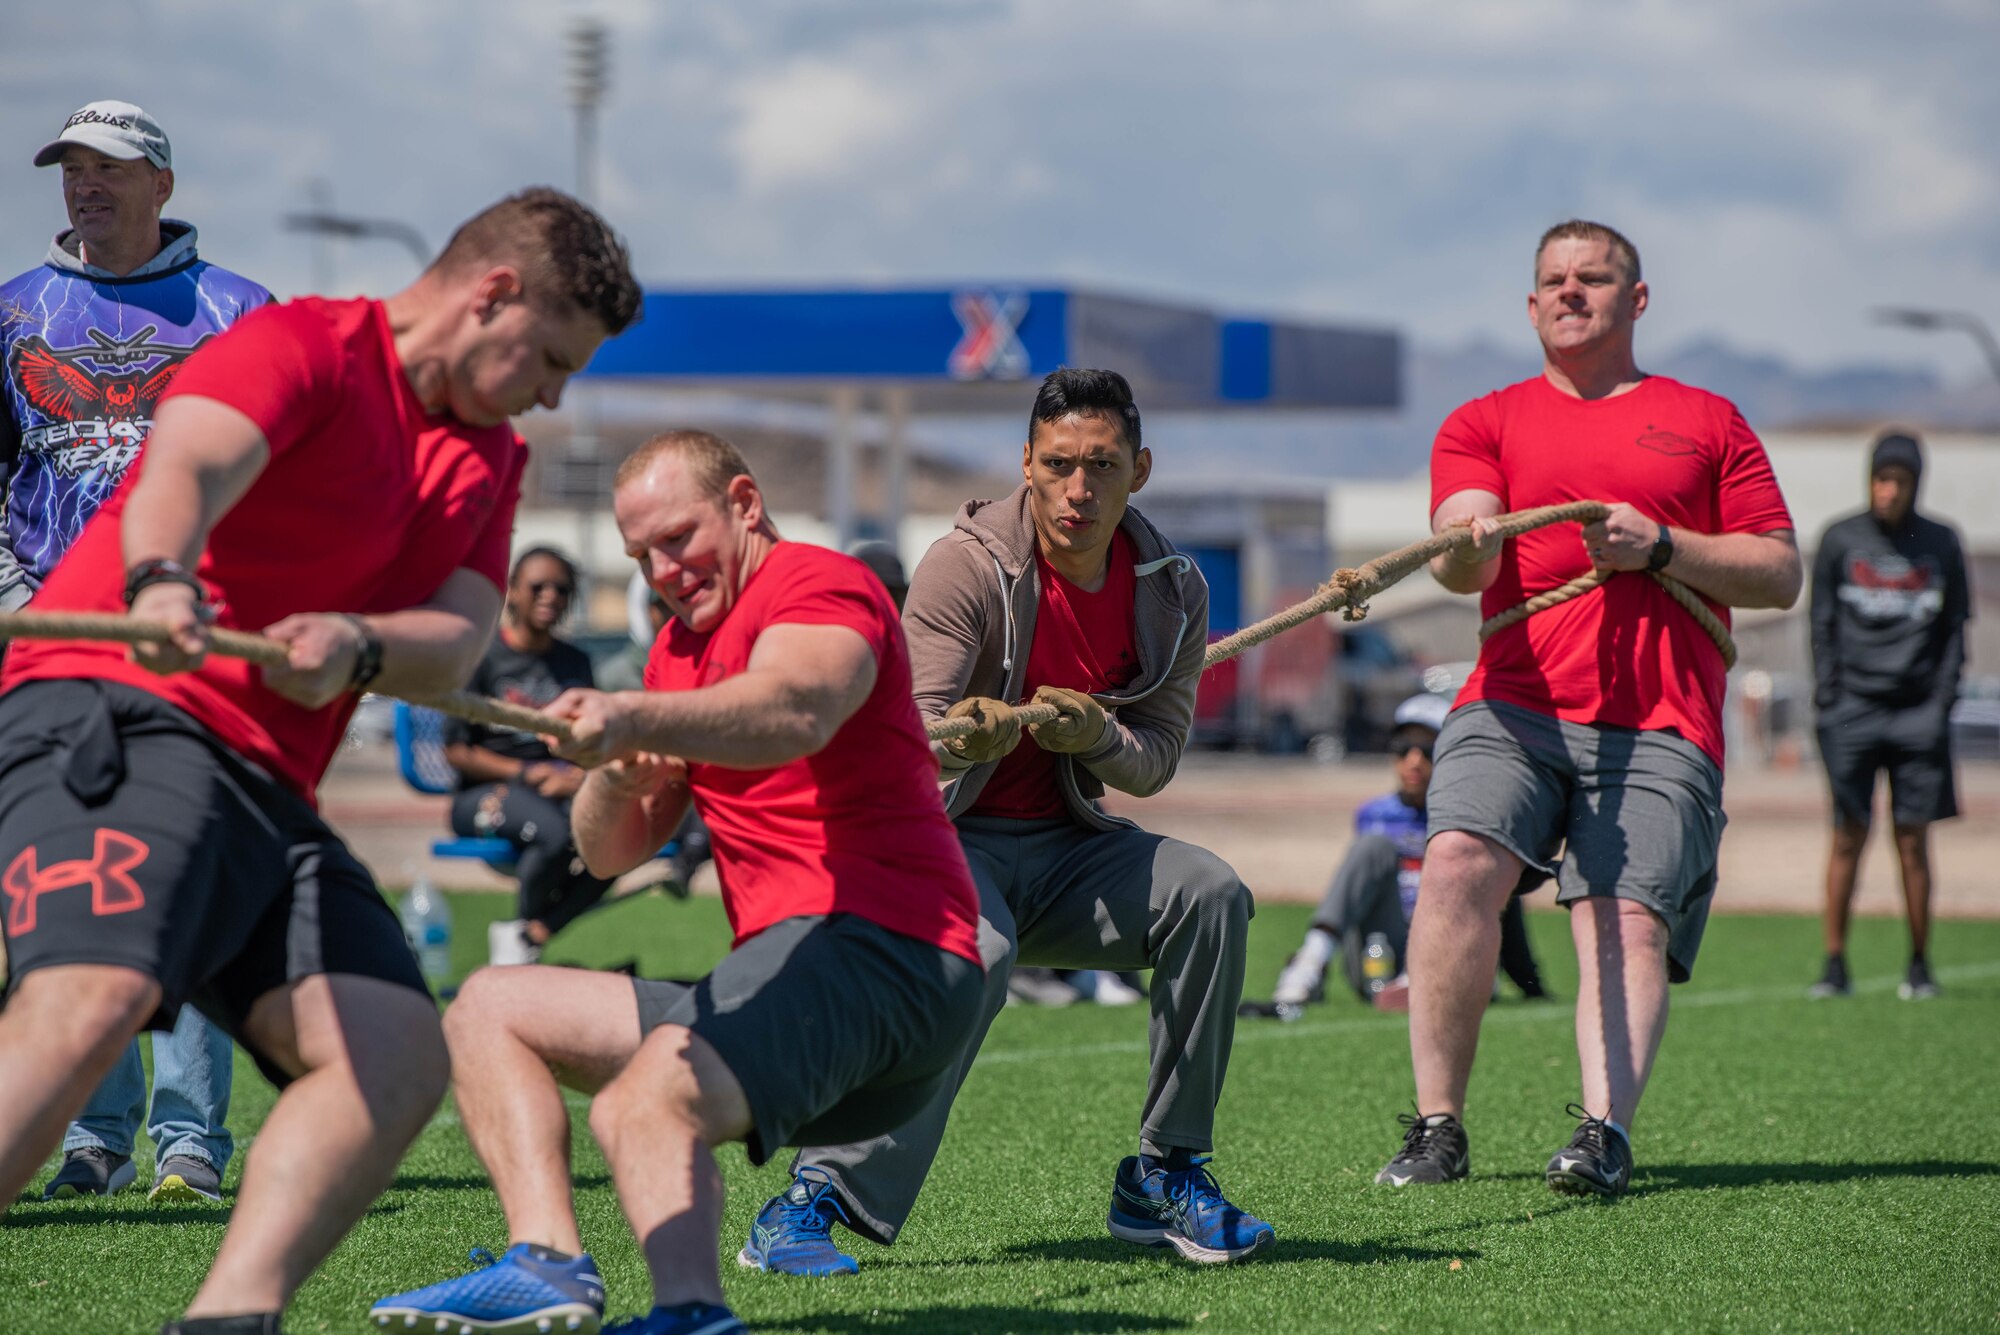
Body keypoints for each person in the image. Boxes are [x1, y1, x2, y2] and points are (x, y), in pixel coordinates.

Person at [0, 185, 640, 1335]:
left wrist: (358, 642)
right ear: (491, 296)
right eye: (549, 357)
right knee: (88, 1001)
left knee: (392, 1056)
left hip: (258, 787)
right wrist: (162, 582)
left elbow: (452, 638)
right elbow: (182, 470)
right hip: (116, 710)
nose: (552, 391)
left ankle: (227, 1320)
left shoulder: (489, 460)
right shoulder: (303, 343)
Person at [370, 430, 986, 1335]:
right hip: (792, 977)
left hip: (893, 956)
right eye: (639, 555)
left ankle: (691, 1312)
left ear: (743, 503)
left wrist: (629, 712)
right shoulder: (674, 654)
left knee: (641, 1105)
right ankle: (545, 1261)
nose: (663, 569)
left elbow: (795, 708)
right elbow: (613, 852)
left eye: (677, 538)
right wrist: (617, 773)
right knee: (487, 1009)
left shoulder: (818, 585)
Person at [743, 368, 1272, 1278]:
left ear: (1139, 470)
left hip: (1070, 849)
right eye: (1060, 463)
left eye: (1101, 465)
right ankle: (812, 1196)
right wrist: (969, 739)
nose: (1079, 488)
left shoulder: (1174, 588)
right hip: (944, 841)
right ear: (1025, 463)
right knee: (974, 955)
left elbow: (1153, 762)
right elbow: (903, 746)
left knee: (1212, 893)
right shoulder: (964, 565)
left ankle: (1164, 1172)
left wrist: (1096, 731)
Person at [1379, 220, 1800, 1200]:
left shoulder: (1707, 421)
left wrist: (1662, 547)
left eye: (1593, 278)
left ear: (1635, 298)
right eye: (1553, 282)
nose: (1571, 293)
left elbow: (1777, 570)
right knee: (1450, 864)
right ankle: (1436, 1127)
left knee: (1617, 914)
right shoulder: (1481, 422)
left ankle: (1601, 1134)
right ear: (1530, 306)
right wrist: (1463, 543)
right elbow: (1456, 549)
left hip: (1658, 723)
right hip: (1512, 707)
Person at [1, 100, 270, 1205]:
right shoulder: (14, 312)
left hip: (188, 621)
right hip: (46, 631)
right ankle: (87, 1137)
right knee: (66, 878)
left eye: (109, 168)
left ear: (162, 183)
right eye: (72, 168)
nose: (86, 185)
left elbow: (277, 470)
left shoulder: (241, 312)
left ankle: (190, 1141)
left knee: (184, 869)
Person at [1242, 693, 1549, 1019]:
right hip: (1380, 953)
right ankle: (1305, 971)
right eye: (1404, 749)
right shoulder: (1374, 815)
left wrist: (1530, 983)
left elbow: (1505, 903)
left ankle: (1443, 977)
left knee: (1480, 857)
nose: (1414, 761)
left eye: (1428, 750)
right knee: (1372, 847)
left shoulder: (1470, 816)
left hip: (1448, 949)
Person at [1808, 430, 1971, 1001]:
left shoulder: (1942, 543)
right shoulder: (1839, 539)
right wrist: (1829, 701)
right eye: (1881, 478)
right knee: (1848, 833)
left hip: (1917, 717)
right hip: (1851, 713)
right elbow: (1821, 625)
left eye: (1899, 481)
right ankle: (1833, 966)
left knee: (1911, 839)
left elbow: (1955, 631)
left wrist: (1940, 703)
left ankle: (1920, 965)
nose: (1888, 491)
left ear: (1915, 484)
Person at [445, 546, 615, 965]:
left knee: (617, 835)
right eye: (538, 586)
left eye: (562, 589)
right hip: (486, 793)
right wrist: (527, 772)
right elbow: (457, 749)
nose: (550, 596)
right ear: (513, 591)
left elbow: (590, 745)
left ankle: (529, 933)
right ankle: (520, 945)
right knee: (555, 835)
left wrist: (575, 777)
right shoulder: (482, 657)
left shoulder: (575, 663)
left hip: (557, 789)